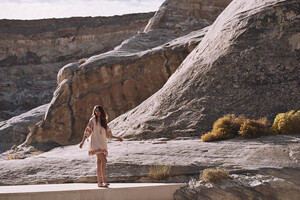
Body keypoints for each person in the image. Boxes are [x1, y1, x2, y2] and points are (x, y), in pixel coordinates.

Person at [79, 105, 123, 187]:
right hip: (95, 143)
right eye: (95, 111)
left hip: (102, 143)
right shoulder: (92, 120)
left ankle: (99, 183)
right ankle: (104, 180)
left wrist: (117, 138)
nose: (97, 112)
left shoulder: (104, 122)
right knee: (104, 160)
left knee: (99, 163)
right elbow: (87, 132)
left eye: (98, 111)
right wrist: (82, 142)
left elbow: (108, 134)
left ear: (101, 111)